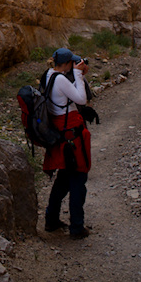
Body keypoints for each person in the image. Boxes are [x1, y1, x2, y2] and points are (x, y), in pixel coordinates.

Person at [42, 47, 91, 239]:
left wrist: (80, 75)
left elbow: (66, 94)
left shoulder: (49, 75)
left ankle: (51, 219)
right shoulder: (61, 79)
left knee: (63, 179)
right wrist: (78, 75)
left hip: (60, 134)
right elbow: (81, 99)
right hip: (72, 136)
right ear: (67, 63)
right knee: (78, 178)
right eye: (72, 62)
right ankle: (77, 226)